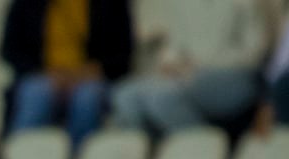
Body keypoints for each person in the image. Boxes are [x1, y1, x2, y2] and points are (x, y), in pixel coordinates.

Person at [111, 0, 272, 135]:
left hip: (234, 75)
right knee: (125, 95)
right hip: (188, 74)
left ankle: (207, 149)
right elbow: (175, 45)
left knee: (163, 99)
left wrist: (202, 64)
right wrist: (170, 62)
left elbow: (254, 53)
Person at [1, 0, 135, 148]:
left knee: (87, 98)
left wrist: (93, 70)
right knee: (36, 94)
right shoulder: (27, 4)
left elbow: (123, 55)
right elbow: (11, 50)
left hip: (91, 78)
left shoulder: (111, 4)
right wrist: (46, 74)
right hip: (43, 76)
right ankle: (18, 156)